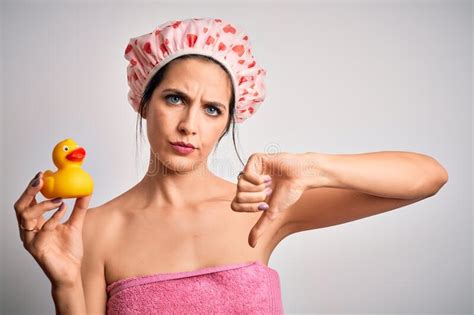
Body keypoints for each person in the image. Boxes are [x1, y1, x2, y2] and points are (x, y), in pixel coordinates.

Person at [14, 17, 449, 314]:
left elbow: (428, 177)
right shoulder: (93, 230)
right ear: (143, 104)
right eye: (174, 99)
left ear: (227, 123)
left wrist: (314, 168)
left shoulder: (262, 206)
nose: (189, 125)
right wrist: (66, 285)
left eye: (212, 109)